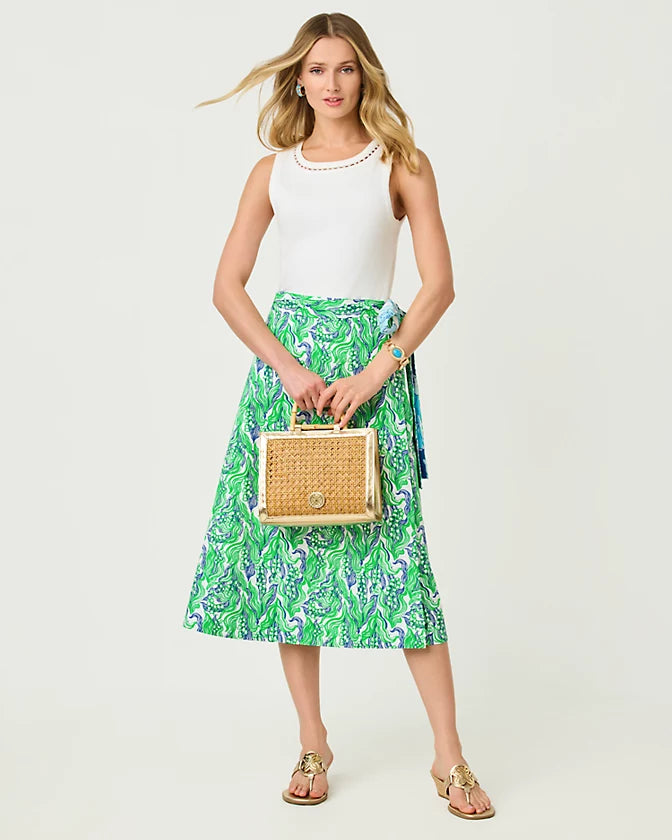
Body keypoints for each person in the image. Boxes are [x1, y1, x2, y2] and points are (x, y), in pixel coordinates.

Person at [182, 12, 495, 820]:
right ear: (298, 78)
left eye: (346, 68)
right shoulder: (273, 171)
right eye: (317, 69)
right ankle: (313, 742)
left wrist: (376, 369)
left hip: (368, 377)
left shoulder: (401, 162)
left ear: (366, 76)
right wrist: (287, 368)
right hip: (289, 381)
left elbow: (437, 286)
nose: (332, 83)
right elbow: (227, 286)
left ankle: (449, 756)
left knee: (401, 561)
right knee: (291, 560)